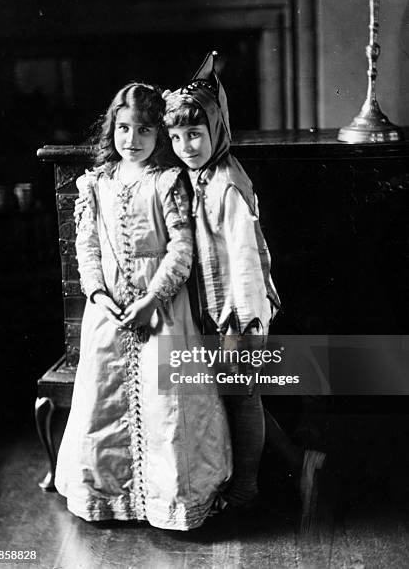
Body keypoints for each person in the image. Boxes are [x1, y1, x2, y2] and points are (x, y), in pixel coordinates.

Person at [55, 82, 232, 530]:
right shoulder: (96, 183)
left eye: (145, 130)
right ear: (111, 128)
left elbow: (181, 250)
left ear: (158, 135)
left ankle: (168, 502)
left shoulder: (168, 182)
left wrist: (154, 299)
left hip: (163, 312)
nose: (132, 140)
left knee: (167, 408)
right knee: (102, 402)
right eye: (124, 128)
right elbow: (87, 246)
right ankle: (110, 498)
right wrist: (97, 294)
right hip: (109, 311)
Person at [163, 53, 282, 512]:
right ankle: (301, 460)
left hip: (238, 311)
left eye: (194, 134)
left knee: (242, 394)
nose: (185, 145)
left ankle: (247, 486)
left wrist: (245, 327)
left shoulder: (228, 181)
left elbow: (247, 258)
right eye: (175, 137)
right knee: (237, 394)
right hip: (210, 310)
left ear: (217, 131)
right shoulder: (198, 175)